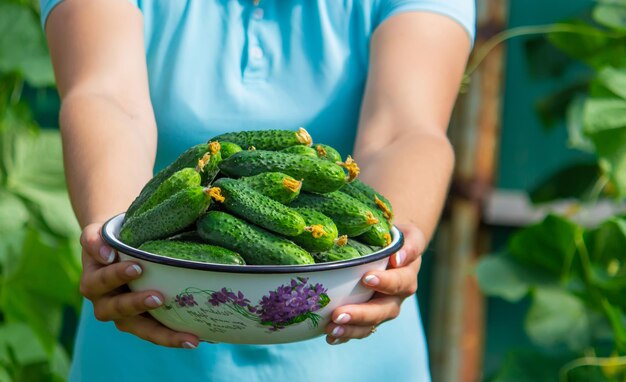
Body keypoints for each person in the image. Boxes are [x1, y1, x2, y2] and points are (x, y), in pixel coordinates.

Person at [42, 0, 474, 380]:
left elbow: (405, 129)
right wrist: (121, 241)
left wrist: (391, 246)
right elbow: (106, 98)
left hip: (352, 346)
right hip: (146, 329)